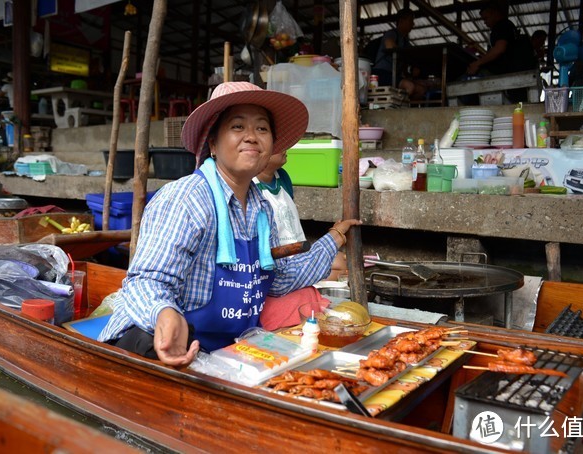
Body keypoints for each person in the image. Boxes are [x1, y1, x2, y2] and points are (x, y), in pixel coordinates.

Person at [98, 81, 361, 367]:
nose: (252, 137)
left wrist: (333, 238)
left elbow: (280, 279)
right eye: (237, 127)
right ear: (212, 143)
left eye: (262, 128)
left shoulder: (262, 209)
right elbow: (146, 281)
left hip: (217, 352)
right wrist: (164, 313)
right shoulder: (187, 198)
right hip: (152, 343)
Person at [254, 148, 348, 330]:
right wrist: (334, 238)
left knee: (341, 262)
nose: (286, 148)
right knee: (333, 269)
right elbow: (276, 279)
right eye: (278, 143)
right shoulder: (251, 190)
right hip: (280, 266)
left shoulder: (283, 178)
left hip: (297, 255)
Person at [371, 8, 428, 100]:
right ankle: (398, 109)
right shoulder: (392, 34)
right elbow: (389, 45)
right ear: (401, 21)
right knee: (410, 86)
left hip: (394, 76)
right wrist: (406, 56)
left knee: (421, 89)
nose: (413, 24)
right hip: (381, 74)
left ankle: (408, 110)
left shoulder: (406, 41)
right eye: (411, 21)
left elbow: (413, 57)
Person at [466, 1, 521, 77]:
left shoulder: (502, 25)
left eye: (486, 18)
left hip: (503, 72)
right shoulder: (506, 25)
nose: (485, 22)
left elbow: (499, 49)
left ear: (495, 13)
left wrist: (477, 63)